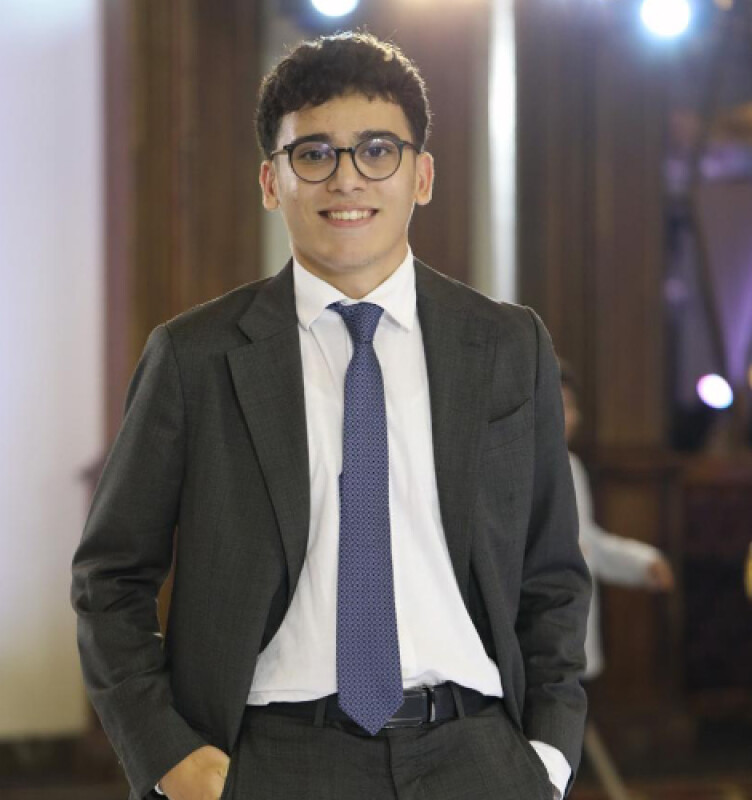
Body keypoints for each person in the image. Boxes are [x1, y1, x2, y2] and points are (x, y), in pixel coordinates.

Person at [71, 32, 590, 800]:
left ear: (422, 176)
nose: (347, 177)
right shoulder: (195, 357)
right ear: (270, 181)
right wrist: (171, 757)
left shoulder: (508, 345)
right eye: (313, 154)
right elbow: (110, 577)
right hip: (272, 760)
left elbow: (552, 574)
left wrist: (549, 755)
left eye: (377, 150)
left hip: (479, 754)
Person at [559, 365, 674, 679]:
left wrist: (643, 562)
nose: (574, 417)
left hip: (574, 635)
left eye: (572, 406)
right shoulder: (517, 473)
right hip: (539, 643)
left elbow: (587, 544)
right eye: (564, 406)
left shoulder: (571, 466)